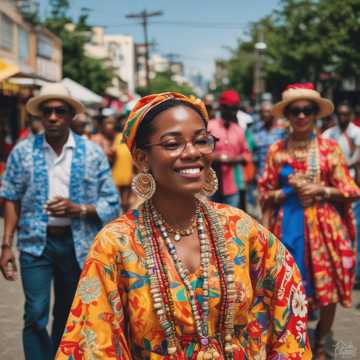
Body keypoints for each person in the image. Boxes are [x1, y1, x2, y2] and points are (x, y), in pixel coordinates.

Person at [56, 92, 311, 359]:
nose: (192, 153)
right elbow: (95, 339)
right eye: (172, 144)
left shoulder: (239, 227)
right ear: (142, 158)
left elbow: (287, 290)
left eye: (202, 140)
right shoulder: (116, 243)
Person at [0, 82, 121, 359]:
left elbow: (112, 202)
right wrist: (6, 244)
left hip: (77, 245)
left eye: (60, 111)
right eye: (47, 111)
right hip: (35, 245)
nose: (53, 117)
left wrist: (78, 209)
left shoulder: (92, 153)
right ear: (40, 116)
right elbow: (10, 197)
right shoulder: (22, 152)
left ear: (70, 115)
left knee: (69, 315)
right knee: (35, 313)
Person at [258, 83, 360, 360]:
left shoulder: (329, 149)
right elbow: (264, 191)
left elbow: (351, 191)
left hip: (324, 229)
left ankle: (321, 342)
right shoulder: (277, 150)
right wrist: (285, 192)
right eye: (295, 111)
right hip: (286, 228)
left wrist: (322, 190)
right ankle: (294, 341)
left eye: (307, 110)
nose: (301, 116)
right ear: (288, 115)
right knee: (287, 287)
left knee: (328, 289)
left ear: (315, 114)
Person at [323, 103, 360, 287]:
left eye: (346, 114)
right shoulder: (329, 134)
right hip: (333, 191)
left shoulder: (356, 133)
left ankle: (353, 271)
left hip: (351, 188)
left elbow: (358, 160)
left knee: (353, 229)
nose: (343, 118)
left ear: (351, 115)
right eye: (340, 114)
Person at [208, 90, 252, 209]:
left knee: (230, 221)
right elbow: (201, 152)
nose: (232, 112)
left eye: (235, 108)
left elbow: (247, 155)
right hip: (211, 184)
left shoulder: (239, 130)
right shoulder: (210, 127)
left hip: (233, 185)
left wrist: (233, 159)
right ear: (221, 108)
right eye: (228, 108)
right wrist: (216, 158)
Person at [252, 101, 286, 179]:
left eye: (268, 112)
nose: (265, 114)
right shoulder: (255, 130)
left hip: (278, 175)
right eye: (262, 112)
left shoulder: (282, 131)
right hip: (260, 175)